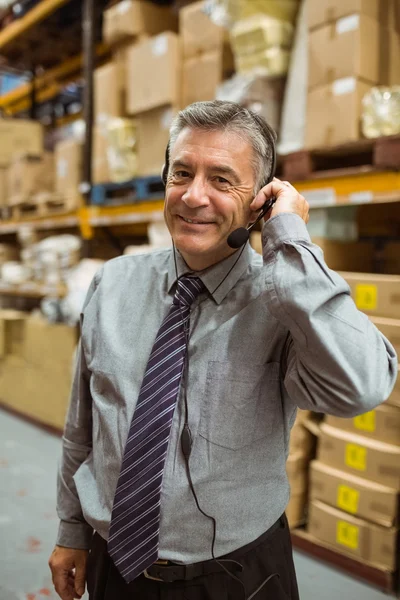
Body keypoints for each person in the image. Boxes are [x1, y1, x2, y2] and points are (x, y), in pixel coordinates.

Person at [49, 101, 398, 600]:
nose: (194, 196)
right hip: (115, 569)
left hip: (238, 578)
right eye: (182, 173)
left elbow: (363, 386)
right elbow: (82, 429)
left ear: (260, 199)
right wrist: (70, 531)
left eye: (221, 180)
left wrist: (290, 241)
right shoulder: (113, 283)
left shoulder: (282, 303)